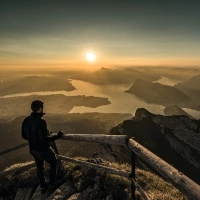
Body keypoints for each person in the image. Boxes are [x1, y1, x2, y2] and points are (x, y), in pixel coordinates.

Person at [21, 99, 64, 193]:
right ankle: (52, 185)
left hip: (33, 149)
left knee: (39, 166)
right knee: (53, 163)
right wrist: (58, 136)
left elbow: (23, 135)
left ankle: (43, 186)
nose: (43, 109)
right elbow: (44, 139)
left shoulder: (26, 120)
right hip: (43, 149)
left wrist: (32, 140)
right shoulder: (41, 122)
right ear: (40, 109)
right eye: (42, 107)